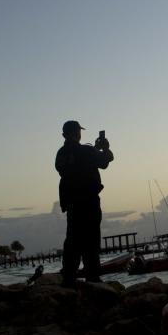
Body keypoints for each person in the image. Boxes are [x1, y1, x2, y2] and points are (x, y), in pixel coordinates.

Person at [55, 120, 114, 285]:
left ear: (64, 135)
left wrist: (93, 149)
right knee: (91, 239)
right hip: (89, 201)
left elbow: (65, 168)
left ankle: (68, 276)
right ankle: (93, 277)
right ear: (78, 133)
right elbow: (106, 160)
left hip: (72, 203)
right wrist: (104, 147)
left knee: (72, 240)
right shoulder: (86, 151)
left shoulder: (60, 154)